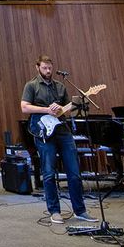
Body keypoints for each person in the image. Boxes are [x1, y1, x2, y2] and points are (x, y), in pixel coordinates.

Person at [20, 55, 96, 225]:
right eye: (44, 68)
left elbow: (69, 109)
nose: (48, 71)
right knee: (48, 173)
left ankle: (80, 210)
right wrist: (47, 109)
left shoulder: (60, 87)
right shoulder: (31, 86)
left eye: (50, 68)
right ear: (37, 67)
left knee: (74, 172)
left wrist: (71, 106)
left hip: (62, 130)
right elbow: (24, 107)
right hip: (43, 132)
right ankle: (54, 211)